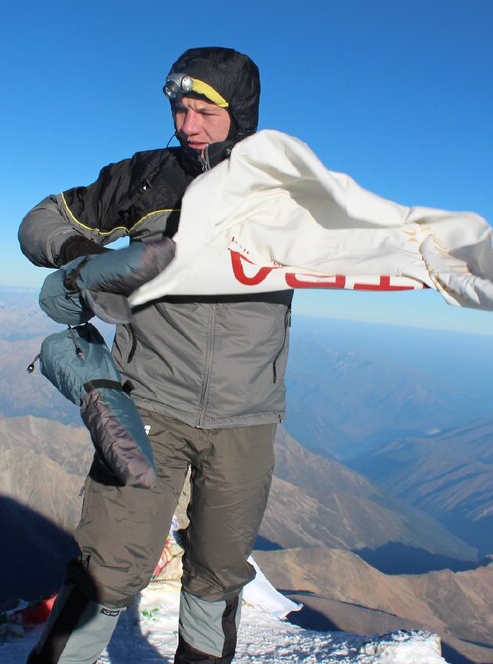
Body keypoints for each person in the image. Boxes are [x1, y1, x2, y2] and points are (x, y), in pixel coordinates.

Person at [18, 47, 292, 664]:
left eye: (204, 111)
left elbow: (396, 243)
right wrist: (79, 257)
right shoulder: (144, 177)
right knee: (109, 569)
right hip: (150, 404)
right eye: (179, 108)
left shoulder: (290, 190)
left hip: (245, 417)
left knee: (218, 573)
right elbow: (37, 223)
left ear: (240, 112)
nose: (187, 125)